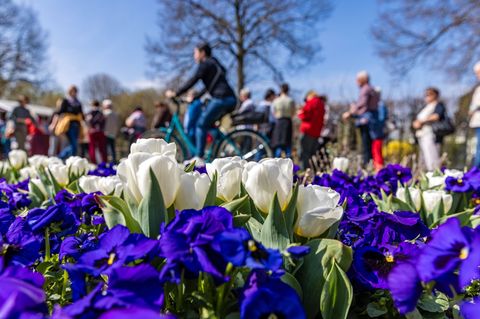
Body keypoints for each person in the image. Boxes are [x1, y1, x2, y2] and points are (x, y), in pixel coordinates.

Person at [165, 43, 237, 163]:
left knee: (200, 125)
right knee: (208, 125)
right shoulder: (214, 63)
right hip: (229, 98)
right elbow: (209, 87)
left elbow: (194, 79)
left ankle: (199, 157)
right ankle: (225, 144)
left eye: (195, 53)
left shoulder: (206, 63)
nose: (194, 56)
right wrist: (195, 98)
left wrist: (176, 93)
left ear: (202, 52)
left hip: (222, 98)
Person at [342, 71, 379, 167]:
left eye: (357, 79)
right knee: (369, 145)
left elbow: (362, 105)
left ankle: (367, 166)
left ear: (363, 80)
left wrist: (350, 113)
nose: (356, 82)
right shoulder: (372, 89)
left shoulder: (365, 89)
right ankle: (370, 165)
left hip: (365, 120)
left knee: (365, 145)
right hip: (372, 120)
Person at [413, 87, 446, 171]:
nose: (427, 96)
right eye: (426, 94)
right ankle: (423, 178)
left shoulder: (438, 105)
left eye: (430, 94)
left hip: (431, 135)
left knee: (432, 158)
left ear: (436, 95)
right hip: (422, 135)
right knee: (423, 158)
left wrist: (422, 121)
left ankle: (435, 176)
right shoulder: (425, 107)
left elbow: (436, 116)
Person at [298, 90, 325, 169]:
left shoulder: (311, 102)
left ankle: (304, 171)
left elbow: (305, 114)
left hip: (307, 130)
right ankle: (313, 170)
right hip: (317, 132)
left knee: (304, 153)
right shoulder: (321, 103)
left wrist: (300, 113)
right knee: (312, 153)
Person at [56, 85, 84, 159]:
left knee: (73, 144)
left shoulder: (78, 103)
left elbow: (81, 114)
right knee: (74, 145)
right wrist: (55, 124)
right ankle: (60, 157)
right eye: (72, 91)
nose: (73, 93)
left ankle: (69, 159)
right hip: (68, 125)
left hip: (77, 125)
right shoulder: (65, 101)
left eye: (75, 91)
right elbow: (59, 112)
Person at [271, 83, 295, 157]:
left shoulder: (276, 100)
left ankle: (276, 161)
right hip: (287, 122)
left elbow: (273, 112)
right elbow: (293, 112)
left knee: (278, 144)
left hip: (279, 122)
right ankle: (289, 162)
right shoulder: (290, 100)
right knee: (287, 144)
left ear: (281, 90)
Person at [368, 87, 388, 170]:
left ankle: (379, 169)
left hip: (378, 133)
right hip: (374, 133)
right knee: (374, 151)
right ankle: (377, 167)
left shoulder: (380, 105)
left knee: (377, 152)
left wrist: (372, 122)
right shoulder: (376, 105)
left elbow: (381, 119)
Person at [469, 61, 480, 168]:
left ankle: (476, 171)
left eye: (479, 73)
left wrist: (473, 109)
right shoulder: (478, 88)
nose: (477, 75)